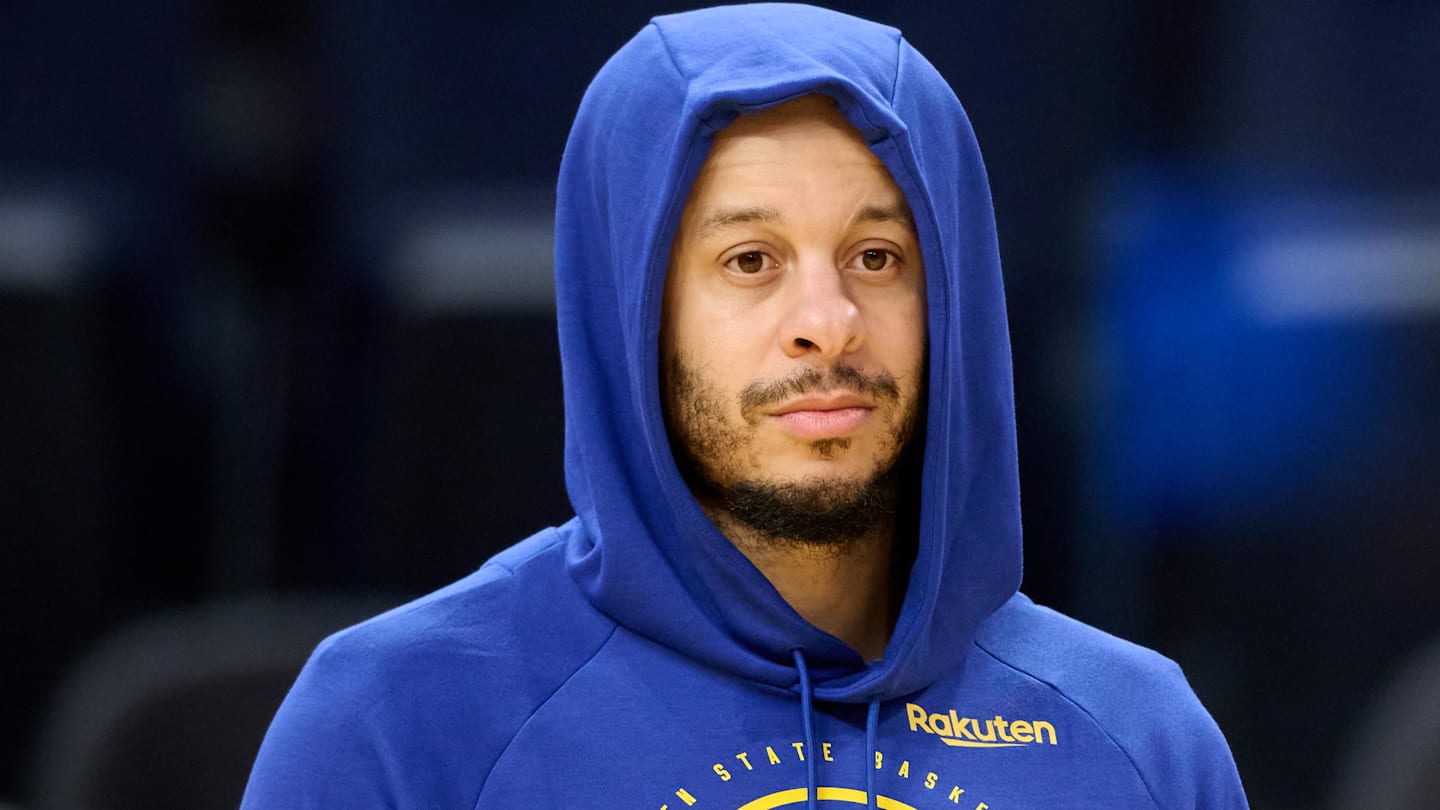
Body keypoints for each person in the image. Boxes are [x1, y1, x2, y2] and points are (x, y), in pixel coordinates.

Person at [242, 4, 1248, 807]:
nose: (827, 321)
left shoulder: (1140, 743)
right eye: (750, 260)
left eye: (878, 257)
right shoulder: (400, 724)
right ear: (636, 313)